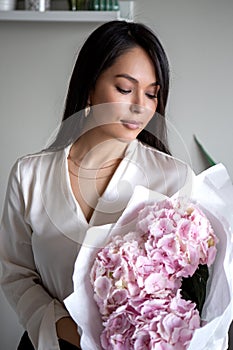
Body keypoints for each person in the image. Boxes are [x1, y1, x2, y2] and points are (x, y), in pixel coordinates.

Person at [0, 20, 194, 349]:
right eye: (124, 88)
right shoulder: (29, 175)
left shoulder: (174, 179)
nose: (140, 106)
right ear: (90, 86)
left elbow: (187, 288)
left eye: (151, 94)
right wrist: (65, 328)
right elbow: (15, 272)